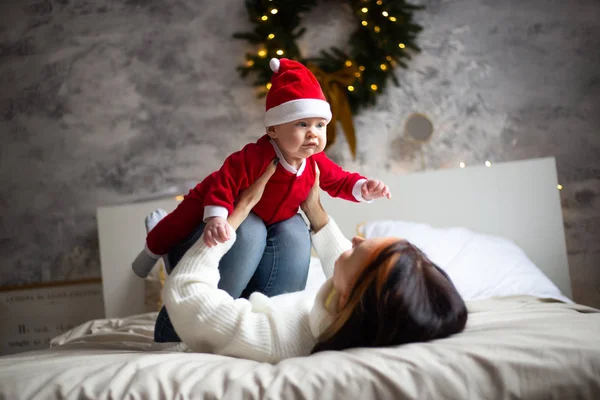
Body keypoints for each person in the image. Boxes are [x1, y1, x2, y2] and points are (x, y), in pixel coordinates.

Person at [132, 58, 391, 342]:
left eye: (319, 125)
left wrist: (364, 187)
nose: (312, 134)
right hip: (229, 218)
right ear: (273, 130)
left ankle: (266, 324)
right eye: (302, 124)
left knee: (295, 230)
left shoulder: (314, 161)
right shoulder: (256, 156)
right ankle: (174, 267)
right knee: (244, 228)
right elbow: (224, 183)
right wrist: (218, 217)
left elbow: (340, 179)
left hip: (277, 225)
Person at [162, 161, 468, 362]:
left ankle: (174, 252)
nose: (356, 240)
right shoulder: (354, 315)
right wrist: (315, 210)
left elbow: (187, 297)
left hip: (180, 327)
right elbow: (347, 268)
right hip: (282, 299)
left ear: (349, 295)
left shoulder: (275, 338)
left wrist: (237, 212)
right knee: (295, 229)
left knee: (249, 229)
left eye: (359, 249)